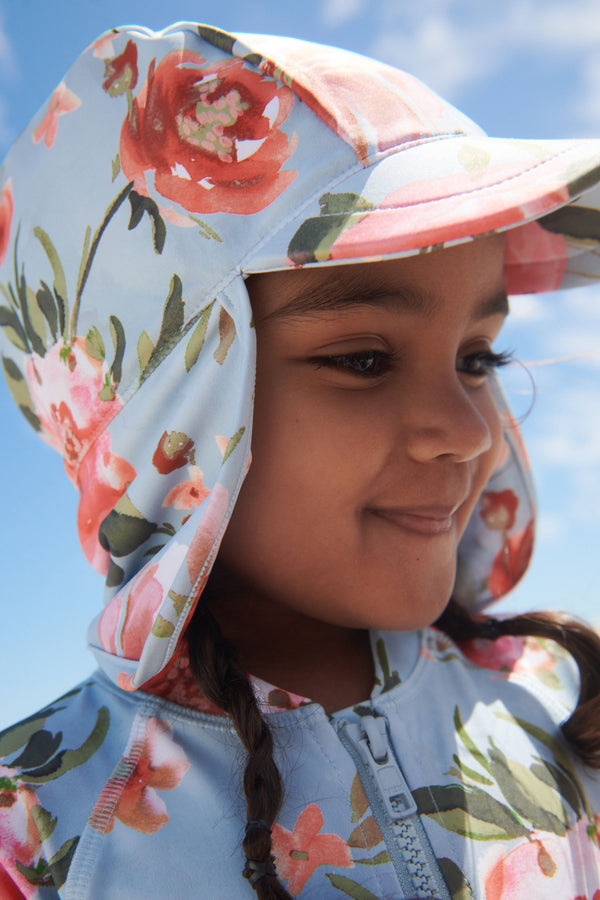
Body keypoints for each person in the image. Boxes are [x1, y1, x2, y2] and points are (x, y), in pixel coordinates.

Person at [1, 21, 600, 900]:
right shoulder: (40, 833)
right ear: (163, 420)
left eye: (478, 357)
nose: (468, 430)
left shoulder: (567, 714)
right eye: (363, 360)